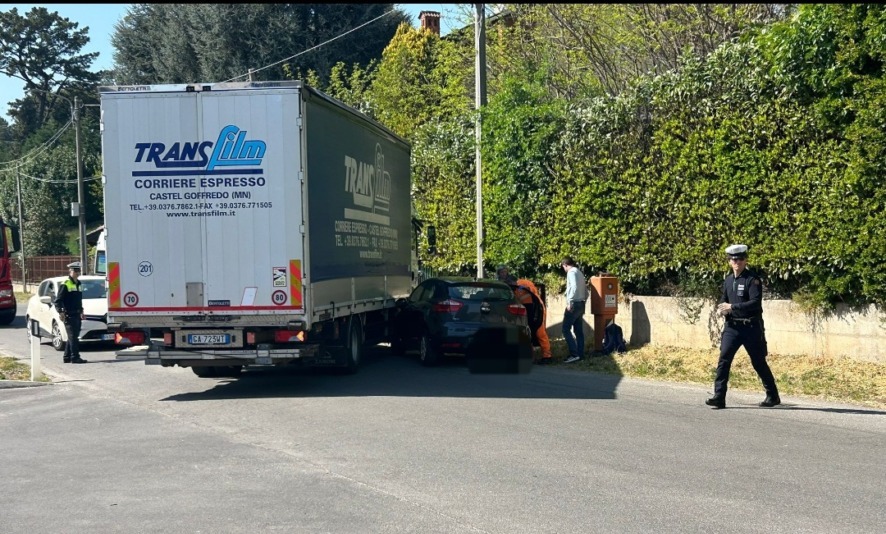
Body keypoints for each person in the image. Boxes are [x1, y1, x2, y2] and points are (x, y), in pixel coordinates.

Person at [706, 244, 780, 409]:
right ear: (729, 262)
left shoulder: (752, 280)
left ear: (745, 260)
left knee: (758, 361)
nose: (737, 262)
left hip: (751, 327)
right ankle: (719, 396)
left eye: (740, 259)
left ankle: (772, 395)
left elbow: (755, 303)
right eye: (734, 259)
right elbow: (724, 300)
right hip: (732, 327)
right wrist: (721, 309)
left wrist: (732, 307)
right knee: (724, 359)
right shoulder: (728, 280)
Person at [512, 278, 553, 364]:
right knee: (527, 333)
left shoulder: (523, 283)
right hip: (525, 310)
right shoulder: (511, 289)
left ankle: (547, 356)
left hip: (536, 308)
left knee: (540, 332)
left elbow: (533, 293)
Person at [54, 261, 87, 364]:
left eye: (78, 271)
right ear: (70, 271)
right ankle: (75, 357)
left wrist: (81, 311)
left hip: (77, 313)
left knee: (72, 336)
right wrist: (61, 312)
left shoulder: (79, 283)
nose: (77, 273)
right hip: (69, 314)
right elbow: (58, 300)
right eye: (75, 271)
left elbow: (78, 299)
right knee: (73, 337)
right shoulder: (65, 284)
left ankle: (67, 356)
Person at [561, 256, 588, 363]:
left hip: (574, 304)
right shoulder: (580, 273)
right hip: (581, 304)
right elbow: (586, 291)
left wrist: (570, 301)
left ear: (565, 265)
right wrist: (583, 301)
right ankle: (580, 354)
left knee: (565, 329)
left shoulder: (571, 272)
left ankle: (574, 354)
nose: (564, 269)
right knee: (578, 331)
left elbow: (574, 286)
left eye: (563, 267)